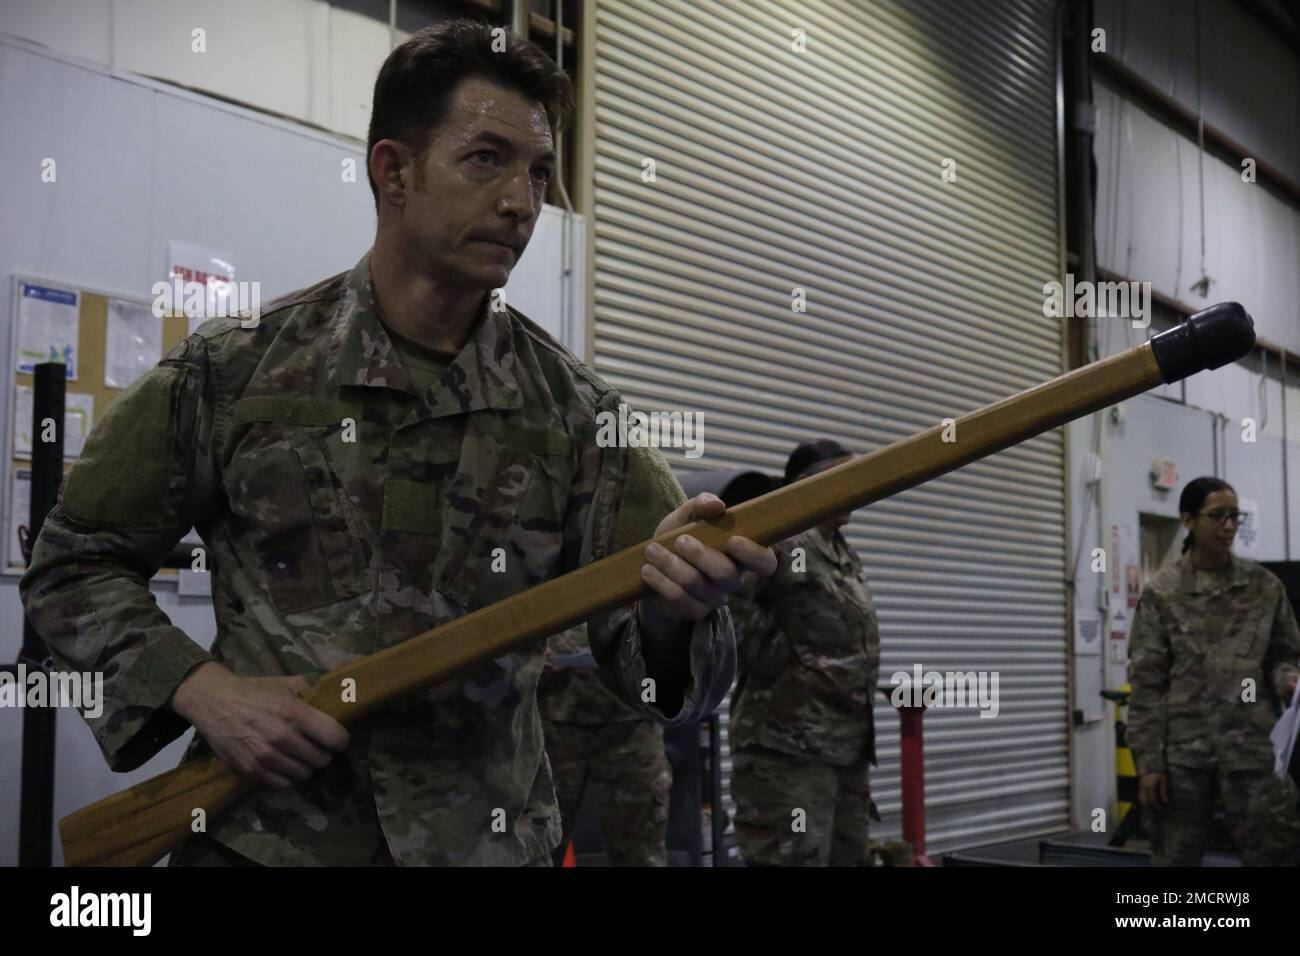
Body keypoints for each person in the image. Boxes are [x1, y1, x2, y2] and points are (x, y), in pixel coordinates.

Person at [19, 20, 775, 867]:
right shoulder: (234, 373)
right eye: (486, 158)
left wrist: (674, 619)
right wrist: (205, 691)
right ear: (394, 171)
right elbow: (71, 563)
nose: (523, 202)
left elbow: (674, 686)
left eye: (538, 172)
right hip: (267, 846)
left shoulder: (578, 415)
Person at [1127, 476, 1300, 866]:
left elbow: (1283, 656)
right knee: (1174, 857)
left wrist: (1290, 682)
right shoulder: (1163, 593)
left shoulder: (1263, 587)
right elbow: (1147, 685)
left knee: (1277, 849)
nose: (1228, 526)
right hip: (1184, 756)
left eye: (1233, 517)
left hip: (1252, 748)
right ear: (1188, 520)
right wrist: (1149, 765)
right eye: (1217, 516)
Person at [727, 439, 879, 866]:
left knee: (847, 857)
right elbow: (728, 601)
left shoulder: (841, 549)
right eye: (844, 478)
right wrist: (777, 658)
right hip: (787, 750)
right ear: (810, 484)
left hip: (844, 747)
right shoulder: (783, 537)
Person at [537, 624, 672, 866]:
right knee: (540, 844)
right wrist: (530, 658)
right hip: (553, 723)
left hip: (630, 728)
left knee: (640, 851)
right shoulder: (536, 585)